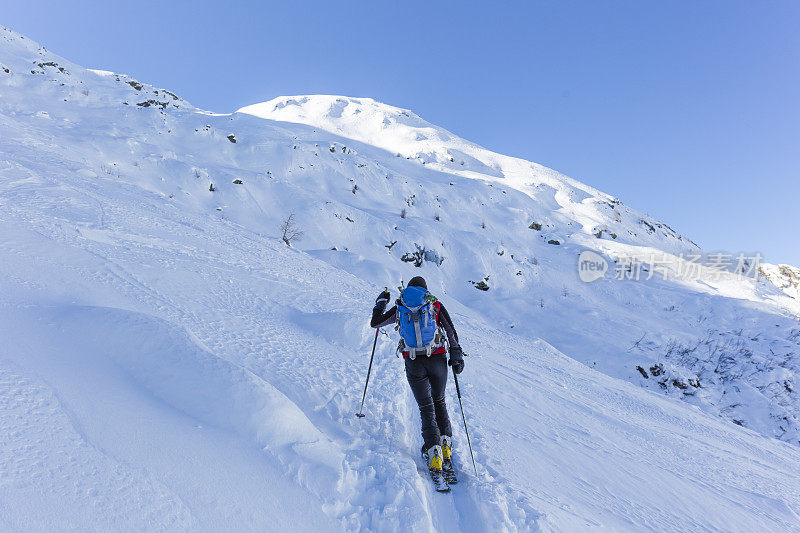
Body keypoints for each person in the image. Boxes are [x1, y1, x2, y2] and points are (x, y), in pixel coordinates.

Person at [370, 276, 464, 479]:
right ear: (424, 290)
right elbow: (450, 329)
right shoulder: (433, 304)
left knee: (425, 408)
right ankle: (446, 448)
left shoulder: (401, 307)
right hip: (437, 359)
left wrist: (380, 304)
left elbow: (375, 324)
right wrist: (456, 354)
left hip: (413, 361)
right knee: (439, 401)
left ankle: (434, 455)